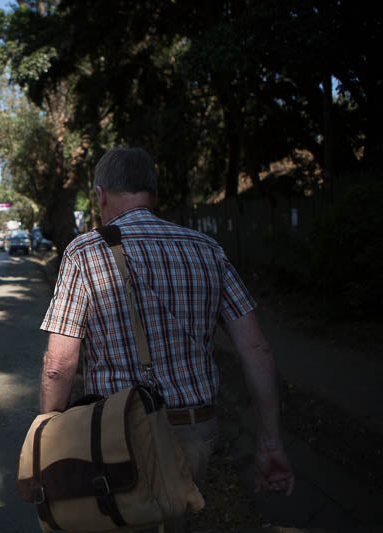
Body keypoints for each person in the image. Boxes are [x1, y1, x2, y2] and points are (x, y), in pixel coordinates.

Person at [39, 148, 294, 527]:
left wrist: (48, 441)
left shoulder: (84, 252)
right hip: (195, 432)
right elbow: (256, 348)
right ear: (153, 195)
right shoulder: (207, 249)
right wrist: (271, 441)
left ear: (101, 193)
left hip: (115, 433)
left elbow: (59, 366)